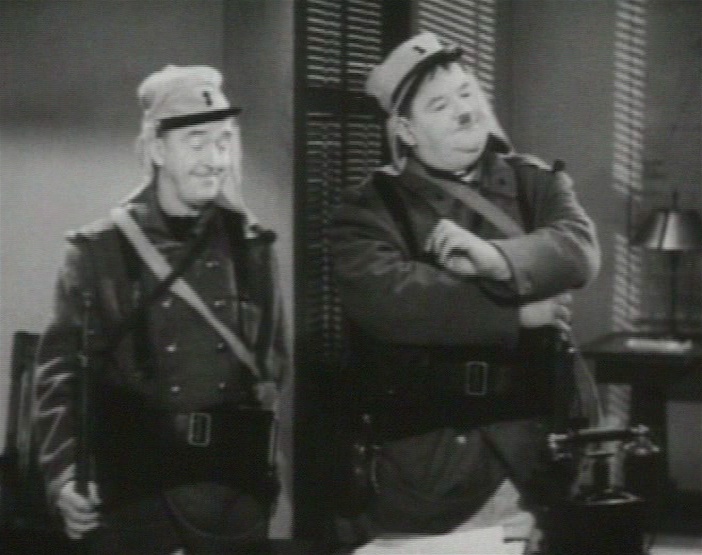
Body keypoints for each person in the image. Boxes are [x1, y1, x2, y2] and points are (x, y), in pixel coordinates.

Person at [329, 32, 602, 553]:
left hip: (535, 461)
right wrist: (518, 315)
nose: (464, 111)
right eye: (440, 105)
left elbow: (579, 250)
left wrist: (495, 258)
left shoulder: (534, 183)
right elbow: (393, 301)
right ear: (405, 130)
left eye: (467, 92)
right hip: (429, 470)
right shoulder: (368, 208)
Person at [33, 65, 289, 555]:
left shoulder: (252, 247)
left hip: (228, 498)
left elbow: (274, 366)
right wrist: (63, 476)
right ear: (156, 149)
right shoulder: (99, 250)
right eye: (197, 141)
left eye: (223, 141)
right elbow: (60, 377)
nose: (215, 160)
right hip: (132, 497)